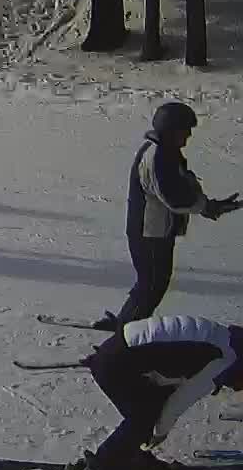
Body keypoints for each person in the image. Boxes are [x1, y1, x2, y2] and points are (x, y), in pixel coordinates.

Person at [94, 103, 241, 329]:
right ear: (170, 130)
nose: (189, 135)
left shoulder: (165, 153)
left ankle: (127, 322)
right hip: (149, 233)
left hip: (155, 230)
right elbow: (174, 198)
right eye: (186, 129)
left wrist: (208, 204)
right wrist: (207, 207)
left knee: (152, 282)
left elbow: (180, 187)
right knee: (152, 284)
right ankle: (126, 330)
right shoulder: (157, 157)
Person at [70, 315, 243, 470]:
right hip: (118, 362)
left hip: (120, 350)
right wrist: (160, 433)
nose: (238, 389)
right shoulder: (223, 360)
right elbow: (179, 402)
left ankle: (129, 457)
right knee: (142, 418)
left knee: (153, 406)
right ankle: (101, 469)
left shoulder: (226, 339)